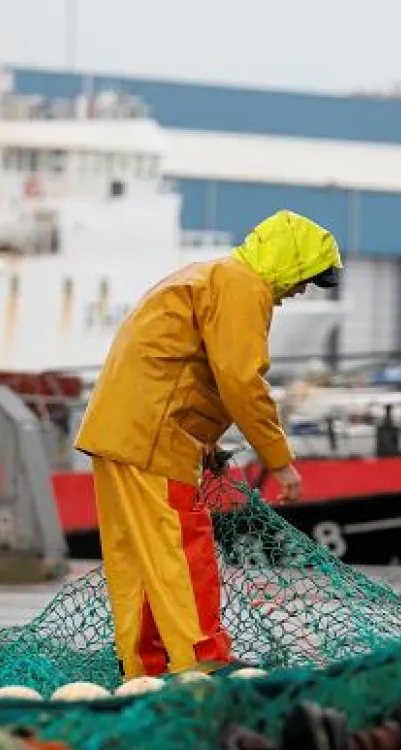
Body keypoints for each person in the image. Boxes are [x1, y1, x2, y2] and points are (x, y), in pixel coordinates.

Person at [74, 209, 343, 680]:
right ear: (290, 260)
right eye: (307, 279)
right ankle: (202, 660)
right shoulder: (242, 285)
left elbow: (178, 370)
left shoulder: (209, 276)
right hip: (154, 440)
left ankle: (144, 667)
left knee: (138, 558)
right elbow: (240, 380)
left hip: (121, 433)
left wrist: (204, 447)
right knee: (182, 545)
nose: (301, 291)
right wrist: (280, 461)